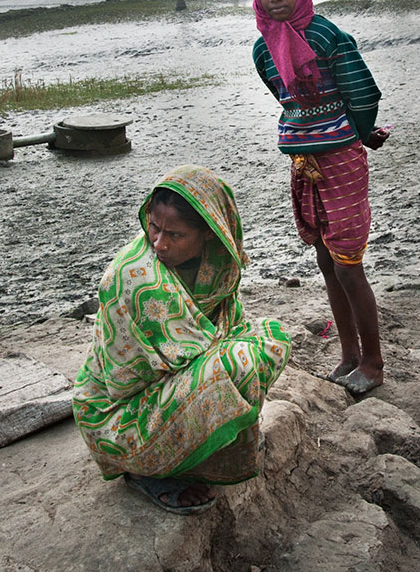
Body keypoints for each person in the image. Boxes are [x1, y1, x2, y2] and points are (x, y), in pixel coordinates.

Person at [72, 166, 293, 513]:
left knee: (271, 340)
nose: (159, 243)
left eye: (174, 234)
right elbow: (126, 380)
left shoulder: (216, 267)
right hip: (121, 412)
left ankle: (203, 448)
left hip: (168, 391)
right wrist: (221, 372)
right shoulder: (135, 277)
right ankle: (149, 471)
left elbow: (230, 328)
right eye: (154, 228)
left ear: (209, 233)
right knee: (236, 364)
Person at [251, 0, 389, 396]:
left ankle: (372, 363)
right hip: (304, 162)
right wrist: (312, 129)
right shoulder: (262, 47)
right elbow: (284, 97)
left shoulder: (328, 37)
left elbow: (363, 94)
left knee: (349, 264)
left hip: (341, 160)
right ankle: (347, 355)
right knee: (325, 260)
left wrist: (362, 133)